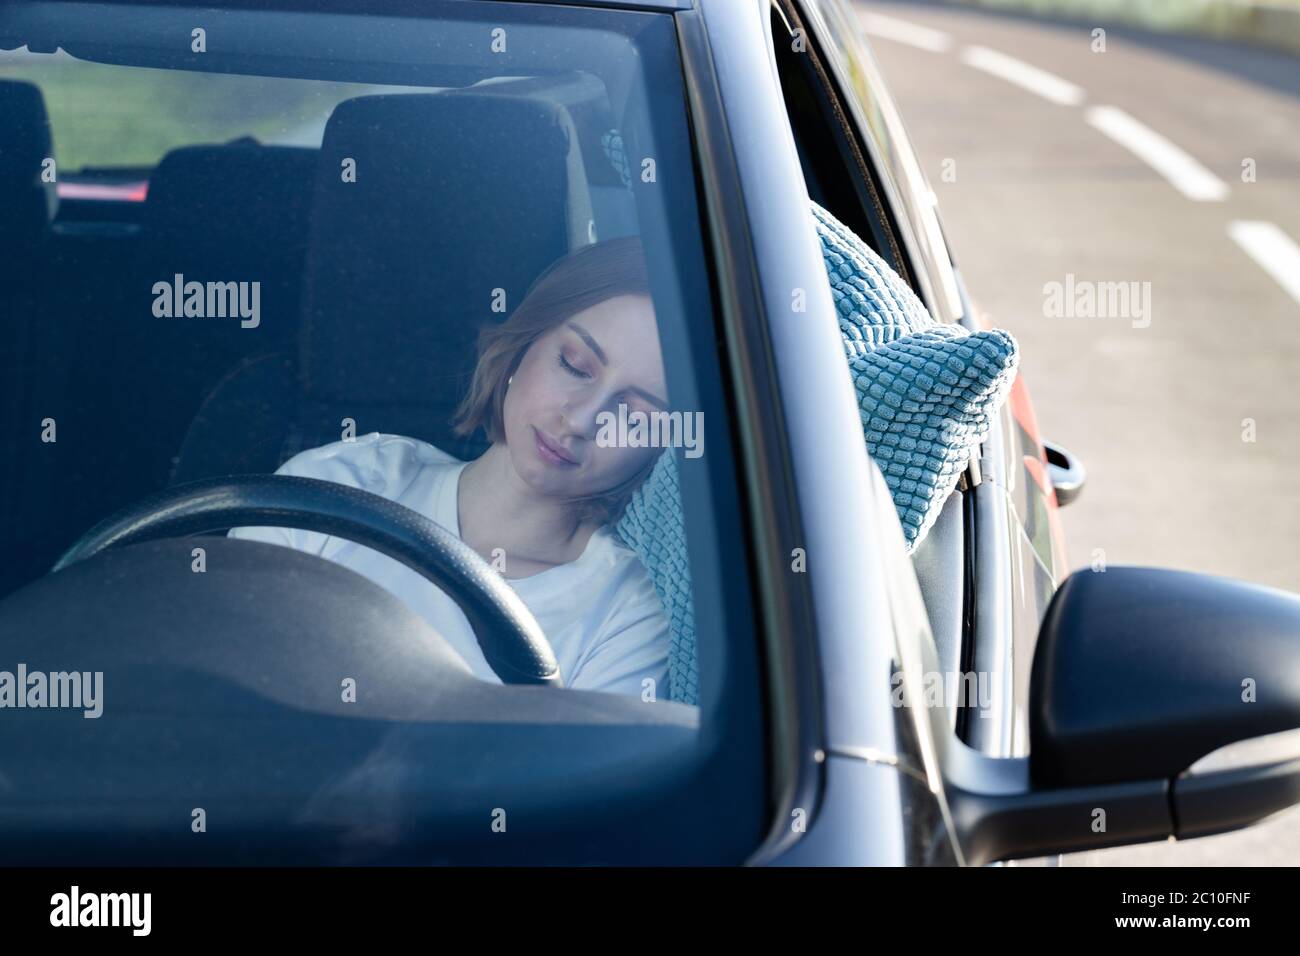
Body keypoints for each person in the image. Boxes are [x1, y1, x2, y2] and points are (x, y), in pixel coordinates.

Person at [230, 238, 671, 697]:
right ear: (525, 343)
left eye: (636, 417)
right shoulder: (340, 481)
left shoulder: (624, 613)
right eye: (574, 365)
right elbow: (216, 688)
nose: (580, 421)